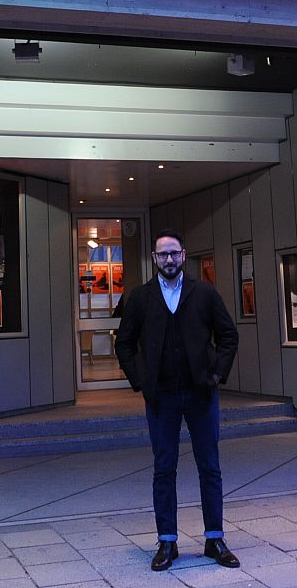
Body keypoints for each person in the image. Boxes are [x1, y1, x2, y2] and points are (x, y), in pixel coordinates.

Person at [115, 230, 239, 572]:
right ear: (154, 258)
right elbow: (124, 343)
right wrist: (140, 380)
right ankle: (167, 542)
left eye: (174, 253)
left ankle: (215, 539)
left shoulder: (205, 293)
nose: (169, 259)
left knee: (209, 467)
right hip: (162, 396)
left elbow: (228, 336)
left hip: (201, 393)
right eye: (162, 254)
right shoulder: (140, 297)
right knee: (164, 468)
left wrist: (217, 374)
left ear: (184, 254)